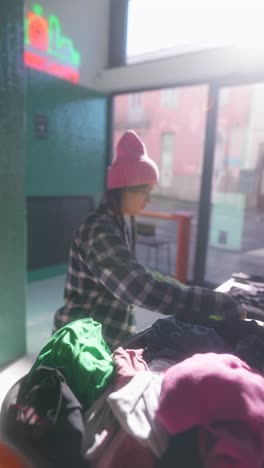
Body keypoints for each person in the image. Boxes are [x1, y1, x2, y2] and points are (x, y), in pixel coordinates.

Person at [53, 130, 244, 348]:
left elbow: (134, 276)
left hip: (109, 333)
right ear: (123, 189)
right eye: (145, 192)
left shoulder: (122, 222)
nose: (149, 200)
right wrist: (212, 302)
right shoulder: (98, 230)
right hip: (80, 343)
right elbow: (136, 288)